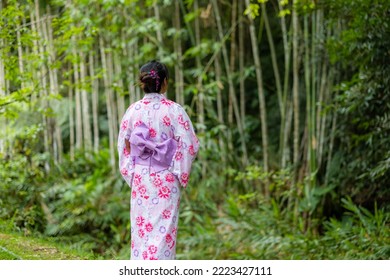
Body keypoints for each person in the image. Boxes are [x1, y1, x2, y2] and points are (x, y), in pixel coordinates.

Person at [117, 60, 199, 260]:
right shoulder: (174, 110)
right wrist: (178, 173)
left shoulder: (133, 111)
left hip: (142, 179)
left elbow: (123, 146)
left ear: (142, 83)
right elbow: (190, 145)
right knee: (164, 234)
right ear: (164, 83)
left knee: (141, 233)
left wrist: (132, 175)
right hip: (166, 178)